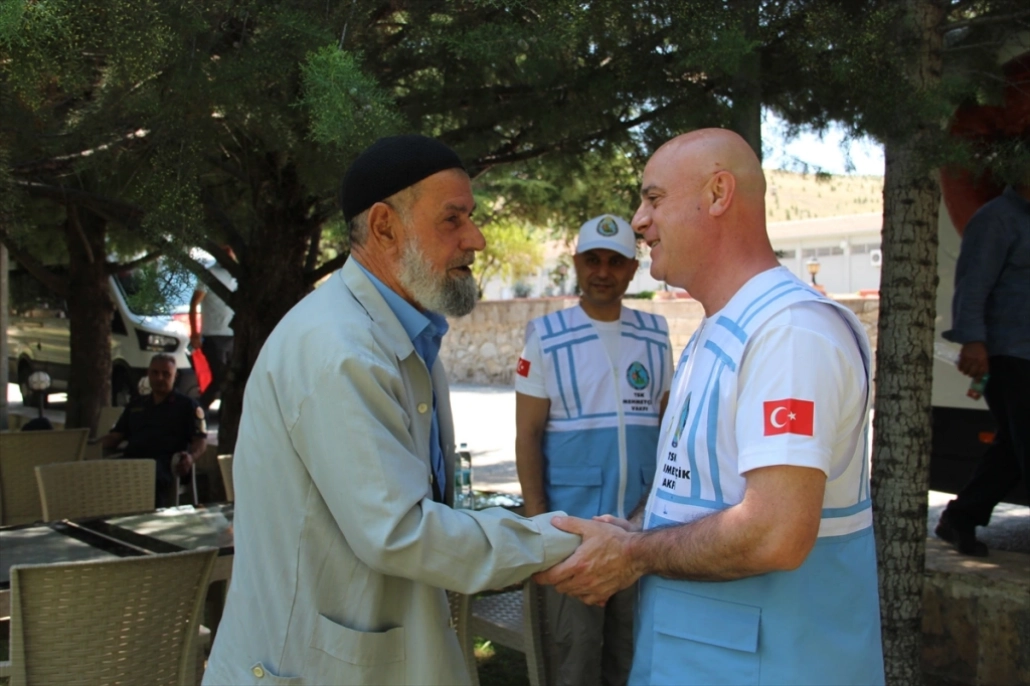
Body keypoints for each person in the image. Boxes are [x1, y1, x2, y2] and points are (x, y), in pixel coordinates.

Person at [203, 135, 580, 686]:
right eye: (452, 219)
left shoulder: (404, 336)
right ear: (384, 227)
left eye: (471, 218)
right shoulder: (339, 348)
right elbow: (400, 530)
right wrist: (559, 540)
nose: (475, 239)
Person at [534, 129, 885, 685]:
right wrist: (629, 533)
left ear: (719, 193)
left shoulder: (790, 333)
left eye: (653, 199)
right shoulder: (723, 328)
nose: (639, 222)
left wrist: (635, 554)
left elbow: (775, 532)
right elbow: (698, 494)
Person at [515, 214, 671, 686]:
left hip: (639, 531)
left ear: (632, 268)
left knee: (633, 658)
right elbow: (527, 436)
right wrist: (539, 521)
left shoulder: (655, 334)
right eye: (593, 259)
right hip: (570, 534)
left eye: (616, 261)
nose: (603, 271)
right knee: (573, 661)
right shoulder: (546, 336)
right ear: (577, 263)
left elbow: (667, 430)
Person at [936, 182, 1030, 556]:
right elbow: (972, 284)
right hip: (1010, 353)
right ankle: (961, 517)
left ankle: (961, 516)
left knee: (1012, 445)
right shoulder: (996, 219)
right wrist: (973, 341)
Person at [98, 353, 207, 507]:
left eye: (166, 374)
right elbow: (116, 436)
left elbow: (200, 441)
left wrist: (190, 458)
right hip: (132, 462)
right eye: (155, 373)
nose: (159, 378)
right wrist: (90, 445)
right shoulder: (137, 404)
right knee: (100, 473)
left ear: (175, 376)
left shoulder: (187, 406)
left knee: (148, 475)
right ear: (148, 374)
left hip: (165, 465)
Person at [189, 245, 238, 412]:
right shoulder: (209, 275)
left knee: (231, 382)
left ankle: (225, 418)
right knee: (219, 380)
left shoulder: (237, 276)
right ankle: (197, 411)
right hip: (213, 335)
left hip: (232, 335)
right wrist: (195, 333)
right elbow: (194, 303)